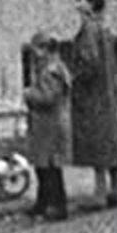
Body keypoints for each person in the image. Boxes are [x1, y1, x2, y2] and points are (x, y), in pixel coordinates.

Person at [68, 0, 117, 208]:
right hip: (106, 92)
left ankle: (99, 194)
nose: (76, 4)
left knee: (96, 142)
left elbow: (90, 62)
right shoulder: (103, 26)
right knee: (109, 140)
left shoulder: (89, 28)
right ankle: (116, 189)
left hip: (92, 95)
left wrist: (73, 79)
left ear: (91, 2)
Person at [23, 31, 73, 221]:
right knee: (43, 167)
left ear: (44, 50)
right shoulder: (55, 68)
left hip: (49, 126)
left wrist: (28, 94)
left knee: (49, 168)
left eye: (36, 49)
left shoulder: (50, 71)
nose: (35, 54)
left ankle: (55, 206)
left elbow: (48, 98)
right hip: (47, 125)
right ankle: (43, 203)